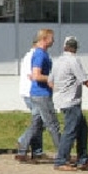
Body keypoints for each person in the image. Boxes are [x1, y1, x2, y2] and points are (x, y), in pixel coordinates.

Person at [16, 29, 61, 161]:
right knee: (52, 124)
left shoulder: (39, 54)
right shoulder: (40, 54)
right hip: (41, 94)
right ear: (45, 38)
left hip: (35, 93)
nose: (53, 40)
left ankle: (23, 149)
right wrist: (50, 80)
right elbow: (36, 75)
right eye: (52, 38)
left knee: (37, 123)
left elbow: (33, 75)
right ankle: (63, 154)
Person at [49, 36, 88, 171]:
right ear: (76, 48)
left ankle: (83, 159)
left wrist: (60, 90)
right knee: (70, 131)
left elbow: (50, 81)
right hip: (71, 101)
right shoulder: (74, 61)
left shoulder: (58, 61)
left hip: (62, 100)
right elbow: (84, 80)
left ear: (64, 47)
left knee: (83, 129)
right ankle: (61, 160)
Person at [16, 38, 44, 162]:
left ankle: (37, 151)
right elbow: (33, 75)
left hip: (27, 92)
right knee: (38, 121)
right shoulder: (35, 56)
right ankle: (23, 141)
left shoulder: (28, 55)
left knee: (38, 121)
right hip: (31, 93)